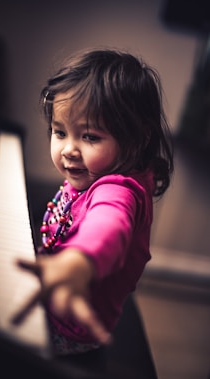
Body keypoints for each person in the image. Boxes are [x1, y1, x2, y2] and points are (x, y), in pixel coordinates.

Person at [12, 48, 174, 355]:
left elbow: (108, 226)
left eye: (89, 137)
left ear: (136, 139)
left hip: (67, 329)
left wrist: (78, 263)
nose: (68, 150)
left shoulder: (118, 191)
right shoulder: (92, 173)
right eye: (59, 132)